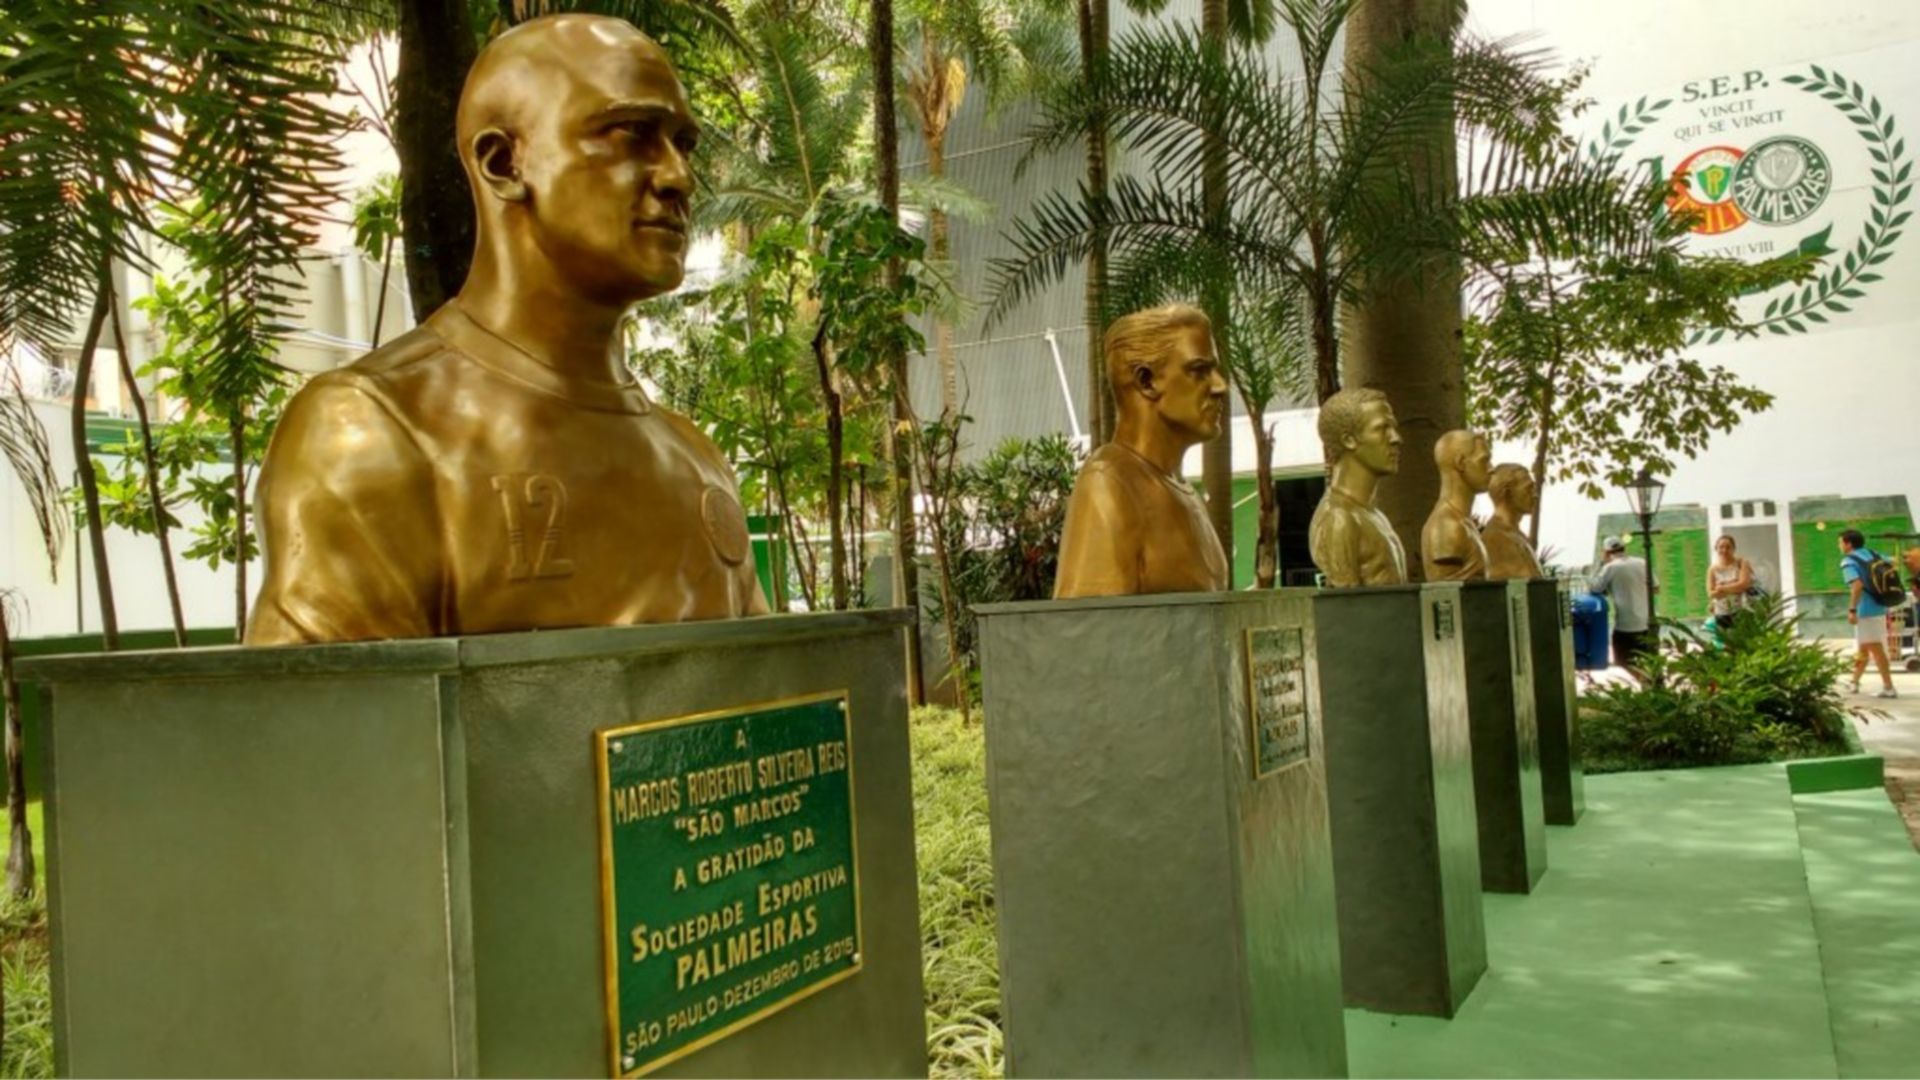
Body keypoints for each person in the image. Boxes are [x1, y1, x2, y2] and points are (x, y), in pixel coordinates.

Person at [247, 16, 770, 644]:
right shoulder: (374, 435)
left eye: (683, 144)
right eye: (632, 134)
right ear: (503, 162)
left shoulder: (697, 462)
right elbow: (334, 734)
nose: (678, 177)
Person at [1053, 304, 1230, 598]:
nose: (1220, 386)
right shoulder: (1108, 482)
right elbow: (1086, 632)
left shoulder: (1184, 493)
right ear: (1146, 380)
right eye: (1199, 370)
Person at [1307, 387, 1407, 587]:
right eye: (1382, 429)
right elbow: (1349, 610)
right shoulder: (1339, 519)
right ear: (1349, 440)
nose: (1396, 438)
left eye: (1393, 428)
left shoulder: (1372, 515)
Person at [1419, 430, 1492, 582]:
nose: (1491, 469)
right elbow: (1447, 598)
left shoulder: (1463, 522)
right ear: (1460, 463)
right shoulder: (1447, 526)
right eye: (1484, 461)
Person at [1839, 529, 1897, 698]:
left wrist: (1851, 609)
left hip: (1864, 611)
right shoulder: (1873, 554)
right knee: (1864, 647)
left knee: (1876, 649)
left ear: (1848, 544)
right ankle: (1854, 682)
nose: (1840, 545)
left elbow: (1857, 586)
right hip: (1879, 606)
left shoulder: (1848, 562)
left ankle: (1888, 687)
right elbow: (1892, 562)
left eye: (1841, 542)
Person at [1591, 536, 1656, 680]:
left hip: (1625, 626)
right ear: (1624, 548)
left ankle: (1644, 681)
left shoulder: (1610, 567)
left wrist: (1602, 564)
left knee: (1621, 661)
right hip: (1647, 623)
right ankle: (1648, 684)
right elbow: (1656, 588)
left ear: (1607, 553)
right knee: (1650, 661)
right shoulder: (1642, 562)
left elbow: (1594, 588)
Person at [1482, 463, 1544, 580]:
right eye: (1528, 488)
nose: (1535, 495)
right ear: (1507, 492)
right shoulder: (1496, 538)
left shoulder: (1517, 535)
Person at [1706, 535, 1754, 631]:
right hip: (1720, 614)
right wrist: (1734, 586)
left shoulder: (1741, 563)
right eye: (1721, 547)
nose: (1724, 550)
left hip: (1741, 611)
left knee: (1742, 643)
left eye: (1728, 547)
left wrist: (1721, 588)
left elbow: (1744, 585)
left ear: (1733, 549)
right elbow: (1711, 594)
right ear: (1716, 549)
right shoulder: (1712, 569)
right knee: (1725, 644)